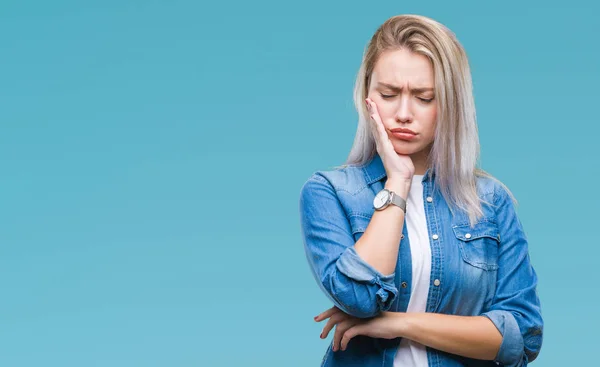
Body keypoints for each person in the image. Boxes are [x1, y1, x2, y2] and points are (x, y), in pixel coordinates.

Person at [298, 14, 543, 367]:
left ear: (449, 105)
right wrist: (398, 183)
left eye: (424, 97)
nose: (403, 113)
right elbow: (359, 298)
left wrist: (398, 323)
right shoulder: (329, 193)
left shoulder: (489, 201)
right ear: (367, 97)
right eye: (388, 94)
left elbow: (522, 335)